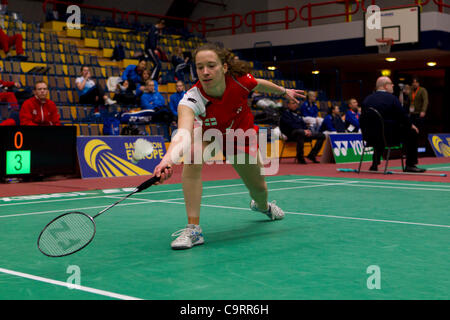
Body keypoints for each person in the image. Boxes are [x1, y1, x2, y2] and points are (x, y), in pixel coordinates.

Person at [152, 43, 305, 250]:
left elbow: (258, 83)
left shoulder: (241, 82)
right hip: (209, 134)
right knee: (193, 157)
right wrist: (167, 160)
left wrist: (283, 90)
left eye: (211, 66)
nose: (205, 72)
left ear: (224, 67)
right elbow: (183, 134)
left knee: (258, 189)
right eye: (200, 67)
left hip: (240, 136)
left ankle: (263, 206)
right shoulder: (191, 99)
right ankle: (193, 228)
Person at [361, 76, 425, 173]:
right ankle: (410, 165)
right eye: (391, 84)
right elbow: (402, 116)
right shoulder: (392, 99)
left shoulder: (366, 100)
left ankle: (375, 163)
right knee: (412, 132)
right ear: (386, 86)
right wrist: (411, 125)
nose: (393, 85)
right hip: (388, 137)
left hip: (369, 137)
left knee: (379, 130)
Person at [280, 99, 326, 164]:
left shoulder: (298, 114)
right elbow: (291, 125)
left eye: (296, 103)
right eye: (293, 103)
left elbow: (303, 124)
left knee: (322, 136)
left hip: (302, 134)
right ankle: (300, 158)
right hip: (291, 135)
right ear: (288, 105)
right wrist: (304, 131)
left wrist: (307, 130)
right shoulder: (285, 114)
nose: (295, 105)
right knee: (300, 132)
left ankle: (312, 155)